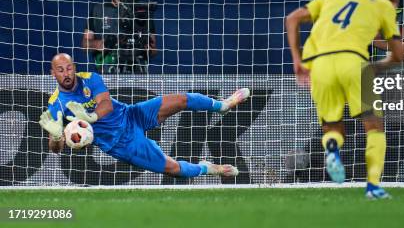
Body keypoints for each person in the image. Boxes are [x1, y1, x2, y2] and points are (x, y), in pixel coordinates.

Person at [285, 0, 404, 199]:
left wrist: (297, 60)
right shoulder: (383, 5)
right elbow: (398, 53)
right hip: (355, 63)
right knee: (374, 126)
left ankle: (331, 147)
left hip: (319, 64)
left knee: (332, 125)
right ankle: (373, 186)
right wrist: (381, 64)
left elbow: (292, 18)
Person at [38, 53, 251, 178]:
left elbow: (105, 104)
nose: (66, 74)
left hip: (131, 114)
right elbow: (56, 149)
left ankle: (222, 105)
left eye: (68, 68)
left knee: (181, 99)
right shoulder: (55, 105)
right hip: (121, 144)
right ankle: (209, 169)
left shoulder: (90, 78)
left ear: (74, 68)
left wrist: (90, 117)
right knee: (172, 168)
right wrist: (57, 137)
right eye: (60, 70)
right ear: (52, 73)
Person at [82, 0, 157, 74]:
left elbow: (154, 50)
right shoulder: (99, 9)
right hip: (107, 73)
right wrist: (102, 44)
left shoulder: (142, 10)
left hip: (137, 73)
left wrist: (142, 45)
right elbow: (85, 44)